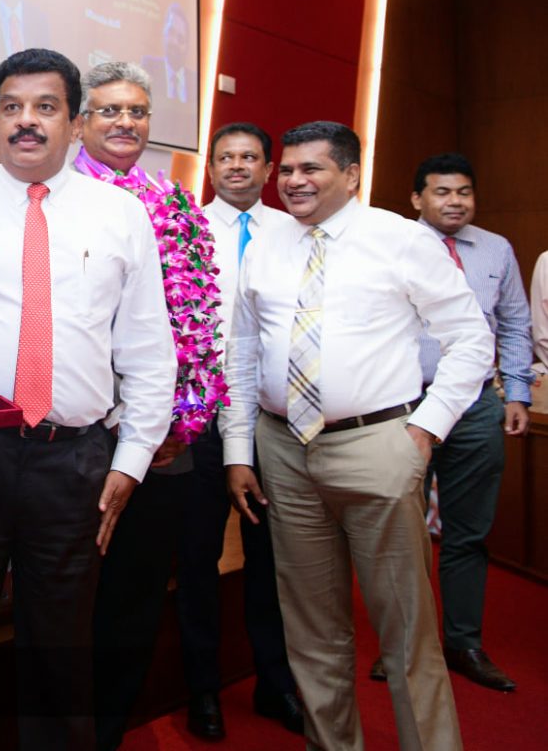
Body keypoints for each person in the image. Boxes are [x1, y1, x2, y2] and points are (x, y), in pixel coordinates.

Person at [0, 48, 176, 750]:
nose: (27, 122)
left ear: (74, 124)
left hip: (72, 463)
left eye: (45, 108)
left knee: (61, 652)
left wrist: (131, 461)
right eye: (12, 108)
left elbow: (148, 348)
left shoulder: (121, 215)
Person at [224, 121, 493, 751]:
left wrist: (423, 431)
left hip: (377, 446)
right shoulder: (266, 243)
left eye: (311, 169)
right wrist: (239, 450)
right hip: (283, 450)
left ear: (350, 175)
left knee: (405, 630)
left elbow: (470, 340)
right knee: (311, 630)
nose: (294, 181)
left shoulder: (402, 240)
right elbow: (242, 351)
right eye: (289, 169)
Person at [71, 62, 224, 750]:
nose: (124, 123)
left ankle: (109, 730)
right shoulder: (57, 195)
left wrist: (177, 422)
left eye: (136, 111)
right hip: (75, 434)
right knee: (67, 592)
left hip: (163, 438)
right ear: (81, 121)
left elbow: (198, 317)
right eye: (109, 110)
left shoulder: (175, 203)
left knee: (135, 595)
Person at [366, 152, 530, 691]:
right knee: (400, 533)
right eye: (442, 192)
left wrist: (517, 393)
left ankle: (464, 643)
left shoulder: (497, 250)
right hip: (405, 404)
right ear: (417, 198)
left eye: (464, 192)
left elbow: (514, 324)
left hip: (477, 406)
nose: (455, 201)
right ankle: (401, 646)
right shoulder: (390, 245)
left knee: (469, 533)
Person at [180, 122, 302, 738]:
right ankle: (202, 689)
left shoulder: (293, 231)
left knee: (272, 561)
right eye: (224, 157)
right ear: (211, 168)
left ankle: (275, 684)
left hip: (274, 418)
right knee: (197, 559)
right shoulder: (186, 229)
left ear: (268, 169)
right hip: (201, 417)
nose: (235, 166)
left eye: (249, 157)